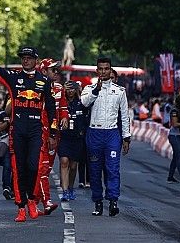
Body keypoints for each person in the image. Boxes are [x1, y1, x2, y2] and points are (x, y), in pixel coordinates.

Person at [0, 29, 57, 222]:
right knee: (18, 168)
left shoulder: (45, 81)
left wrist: (53, 133)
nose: (25, 61)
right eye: (23, 58)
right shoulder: (14, 78)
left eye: (29, 58)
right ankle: (21, 206)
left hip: (35, 129)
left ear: (36, 61)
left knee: (33, 166)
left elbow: (51, 108)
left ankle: (32, 199)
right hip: (18, 129)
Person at [80, 57, 131, 217]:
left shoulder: (120, 91)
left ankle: (113, 201)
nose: (103, 71)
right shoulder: (89, 89)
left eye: (106, 69)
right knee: (94, 171)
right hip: (94, 133)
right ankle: (98, 202)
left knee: (112, 169)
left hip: (112, 134)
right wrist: (96, 90)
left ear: (110, 70)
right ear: (97, 71)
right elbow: (84, 103)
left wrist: (126, 138)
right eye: (100, 69)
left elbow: (124, 116)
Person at [33, 58, 69, 215]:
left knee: (45, 170)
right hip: (39, 132)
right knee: (41, 168)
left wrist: (65, 117)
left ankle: (34, 201)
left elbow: (63, 108)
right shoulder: (35, 88)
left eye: (57, 70)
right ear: (44, 71)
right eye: (53, 70)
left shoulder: (60, 88)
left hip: (54, 134)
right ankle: (44, 201)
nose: (56, 73)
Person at [59, 81, 87, 201]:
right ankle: (65, 191)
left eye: (72, 89)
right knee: (64, 161)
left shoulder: (81, 103)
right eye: (68, 89)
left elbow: (87, 118)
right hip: (64, 137)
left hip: (77, 138)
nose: (70, 91)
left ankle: (70, 188)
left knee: (73, 165)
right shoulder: (61, 103)